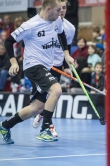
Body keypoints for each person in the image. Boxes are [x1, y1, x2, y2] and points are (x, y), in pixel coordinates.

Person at [0, 0, 74, 144]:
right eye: (58, 10)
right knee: (56, 90)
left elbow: (61, 35)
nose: (60, 13)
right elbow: (9, 41)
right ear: (49, 9)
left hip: (46, 66)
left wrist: (67, 55)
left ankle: (5, 126)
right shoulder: (30, 25)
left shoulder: (56, 21)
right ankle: (45, 129)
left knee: (36, 107)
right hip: (33, 66)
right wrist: (13, 62)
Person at [32, 0, 75, 136]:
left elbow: (65, 49)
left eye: (64, 8)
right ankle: (45, 119)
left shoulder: (70, 28)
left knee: (53, 95)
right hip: (42, 65)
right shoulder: (44, 23)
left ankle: (46, 121)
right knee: (41, 100)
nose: (62, 10)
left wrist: (65, 67)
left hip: (56, 66)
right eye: (59, 8)